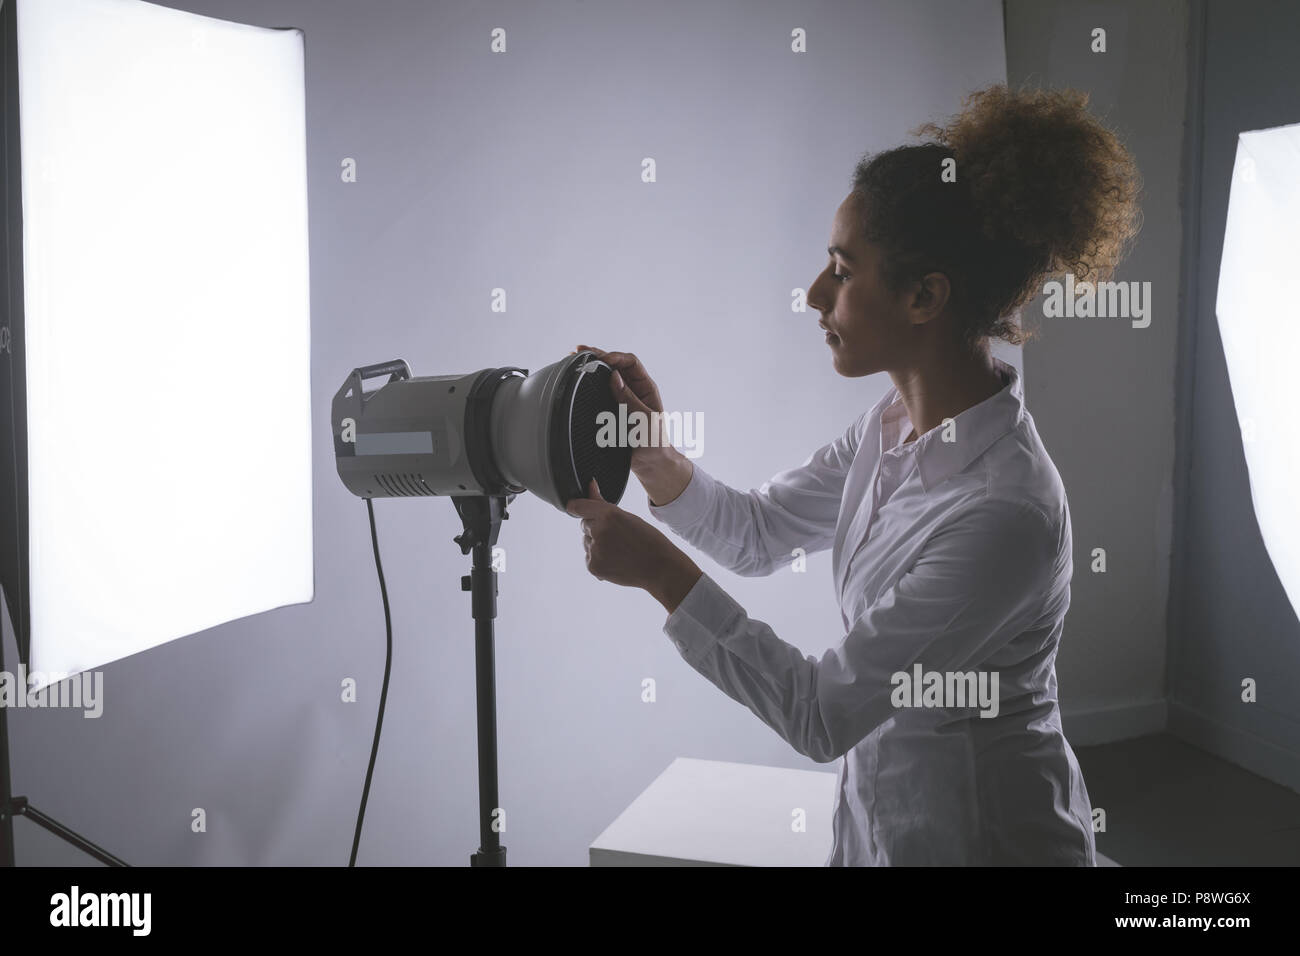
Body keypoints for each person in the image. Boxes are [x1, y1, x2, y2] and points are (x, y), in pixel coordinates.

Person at [565, 83, 1141, 866]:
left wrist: (660, 573)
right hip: (879, 831)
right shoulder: (891, 426)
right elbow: (759, 534)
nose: (813, 295)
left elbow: (822, 714)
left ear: (924, 296)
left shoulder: (1005, 513)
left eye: (841, 270)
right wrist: (652, 453)